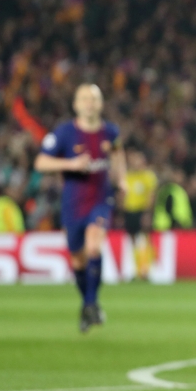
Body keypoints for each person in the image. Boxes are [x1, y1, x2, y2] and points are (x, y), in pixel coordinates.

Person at [34, 84, 126, 332]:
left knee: (94, 246)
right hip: (73, 204)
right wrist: (72, 164)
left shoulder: (110, 132)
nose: (89, 103)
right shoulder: (64, 133)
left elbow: (118, 154)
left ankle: (91, 303)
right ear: (75, 104)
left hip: (100, 200)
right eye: (84, 99)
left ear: (101, 103)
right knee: (77, 259)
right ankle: (88, 306)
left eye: (94, 98)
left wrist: (122, 179)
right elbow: (41, 162)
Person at [123, 149, 157, 279]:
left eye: (137, 159)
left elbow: (151, 196)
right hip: (129, 212)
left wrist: (147, 213)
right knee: (132, 242)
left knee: (144, 240)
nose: (134, 162)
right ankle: (136, 270)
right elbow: (124, 196)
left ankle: (145, 270)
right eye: (133, 160)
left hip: (142, 211)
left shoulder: (148, 176)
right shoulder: (128, 176)